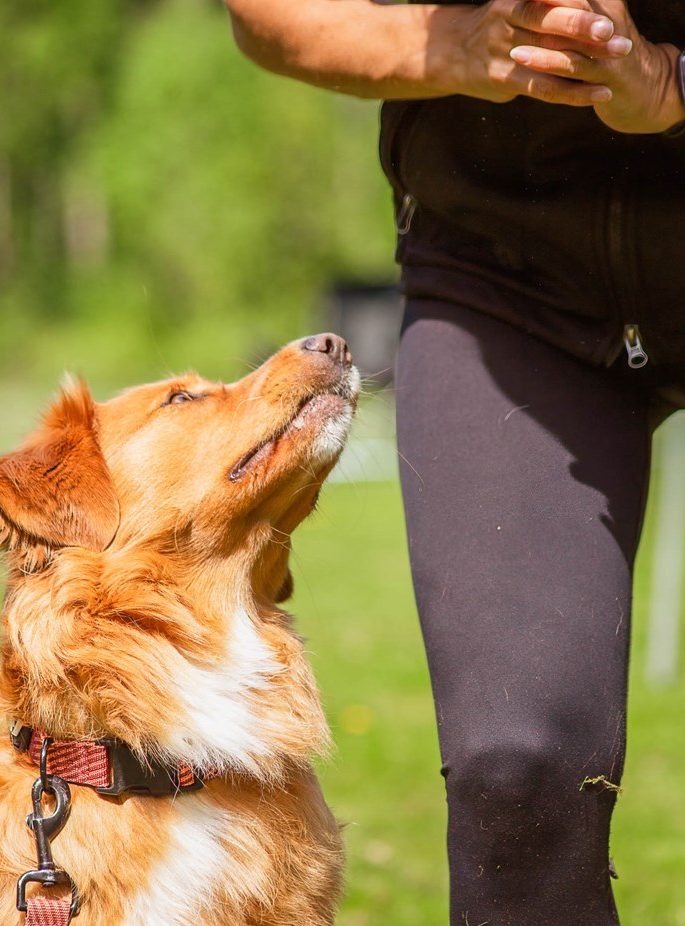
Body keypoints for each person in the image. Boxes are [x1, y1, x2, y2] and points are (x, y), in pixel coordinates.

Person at [223, 2, 685, 923]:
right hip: (503, 275)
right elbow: (271, 14)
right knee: (518, 770)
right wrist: (452, 46)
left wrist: (673, 84)